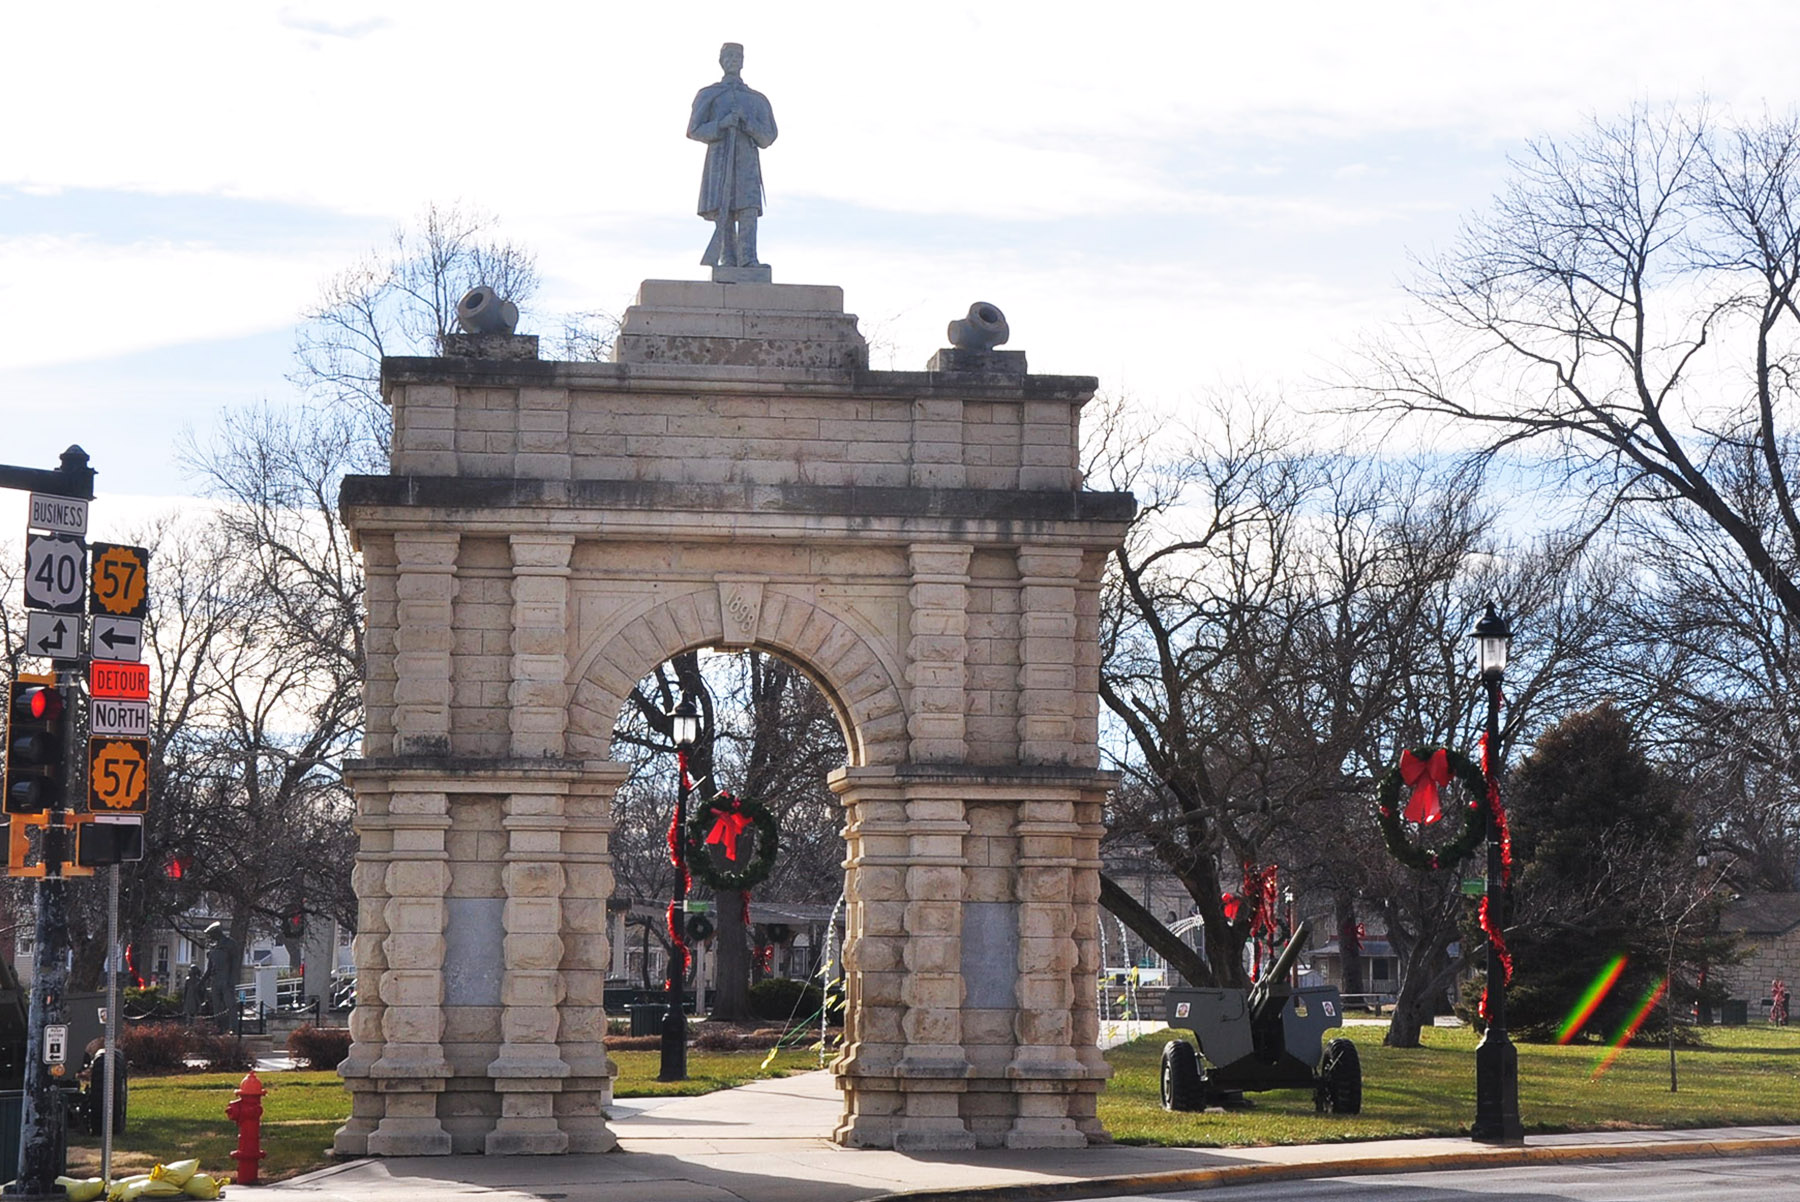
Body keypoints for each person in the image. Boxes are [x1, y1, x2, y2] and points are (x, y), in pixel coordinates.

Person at [688, 42, 778, 270]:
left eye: (738, 56)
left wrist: (748, 124)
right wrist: (721, 124)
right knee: (724, 211)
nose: (733, 60)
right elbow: (694, 130)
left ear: (743, 61)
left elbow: (768, 137)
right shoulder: (709, 95)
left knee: (748, 209)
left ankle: (748, 260)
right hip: (720, 162)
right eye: (728, 56)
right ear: (721, 61)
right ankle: (727, 259)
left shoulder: (757, 99)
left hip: (747, 163)